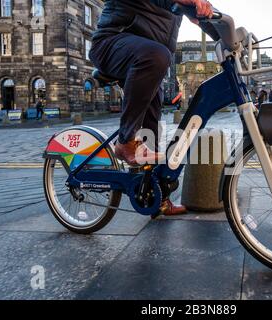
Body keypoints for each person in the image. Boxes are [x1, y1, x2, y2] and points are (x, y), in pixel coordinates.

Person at [89, 0, 215, 216]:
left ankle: (158, 199)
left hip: (146, 56)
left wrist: (220, 32)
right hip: (112, 42)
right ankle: (125, 141)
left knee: (151, 129)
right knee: (156, 56)